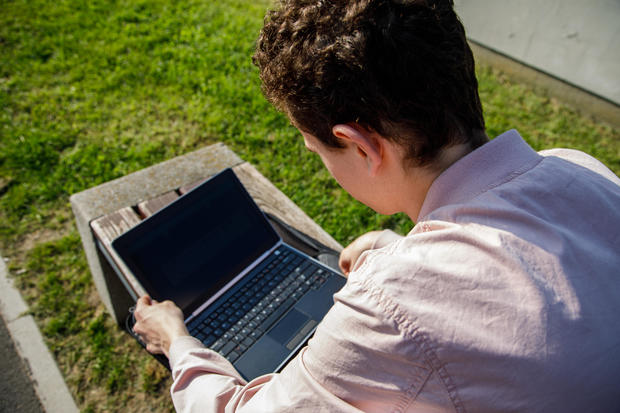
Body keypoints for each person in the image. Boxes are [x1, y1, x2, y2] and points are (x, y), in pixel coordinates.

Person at [133, 0, 620, 411]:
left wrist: (177, 343)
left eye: (316, 149)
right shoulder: (582, 170)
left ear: (361, 146)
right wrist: (394, 249)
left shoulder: (391, 308)